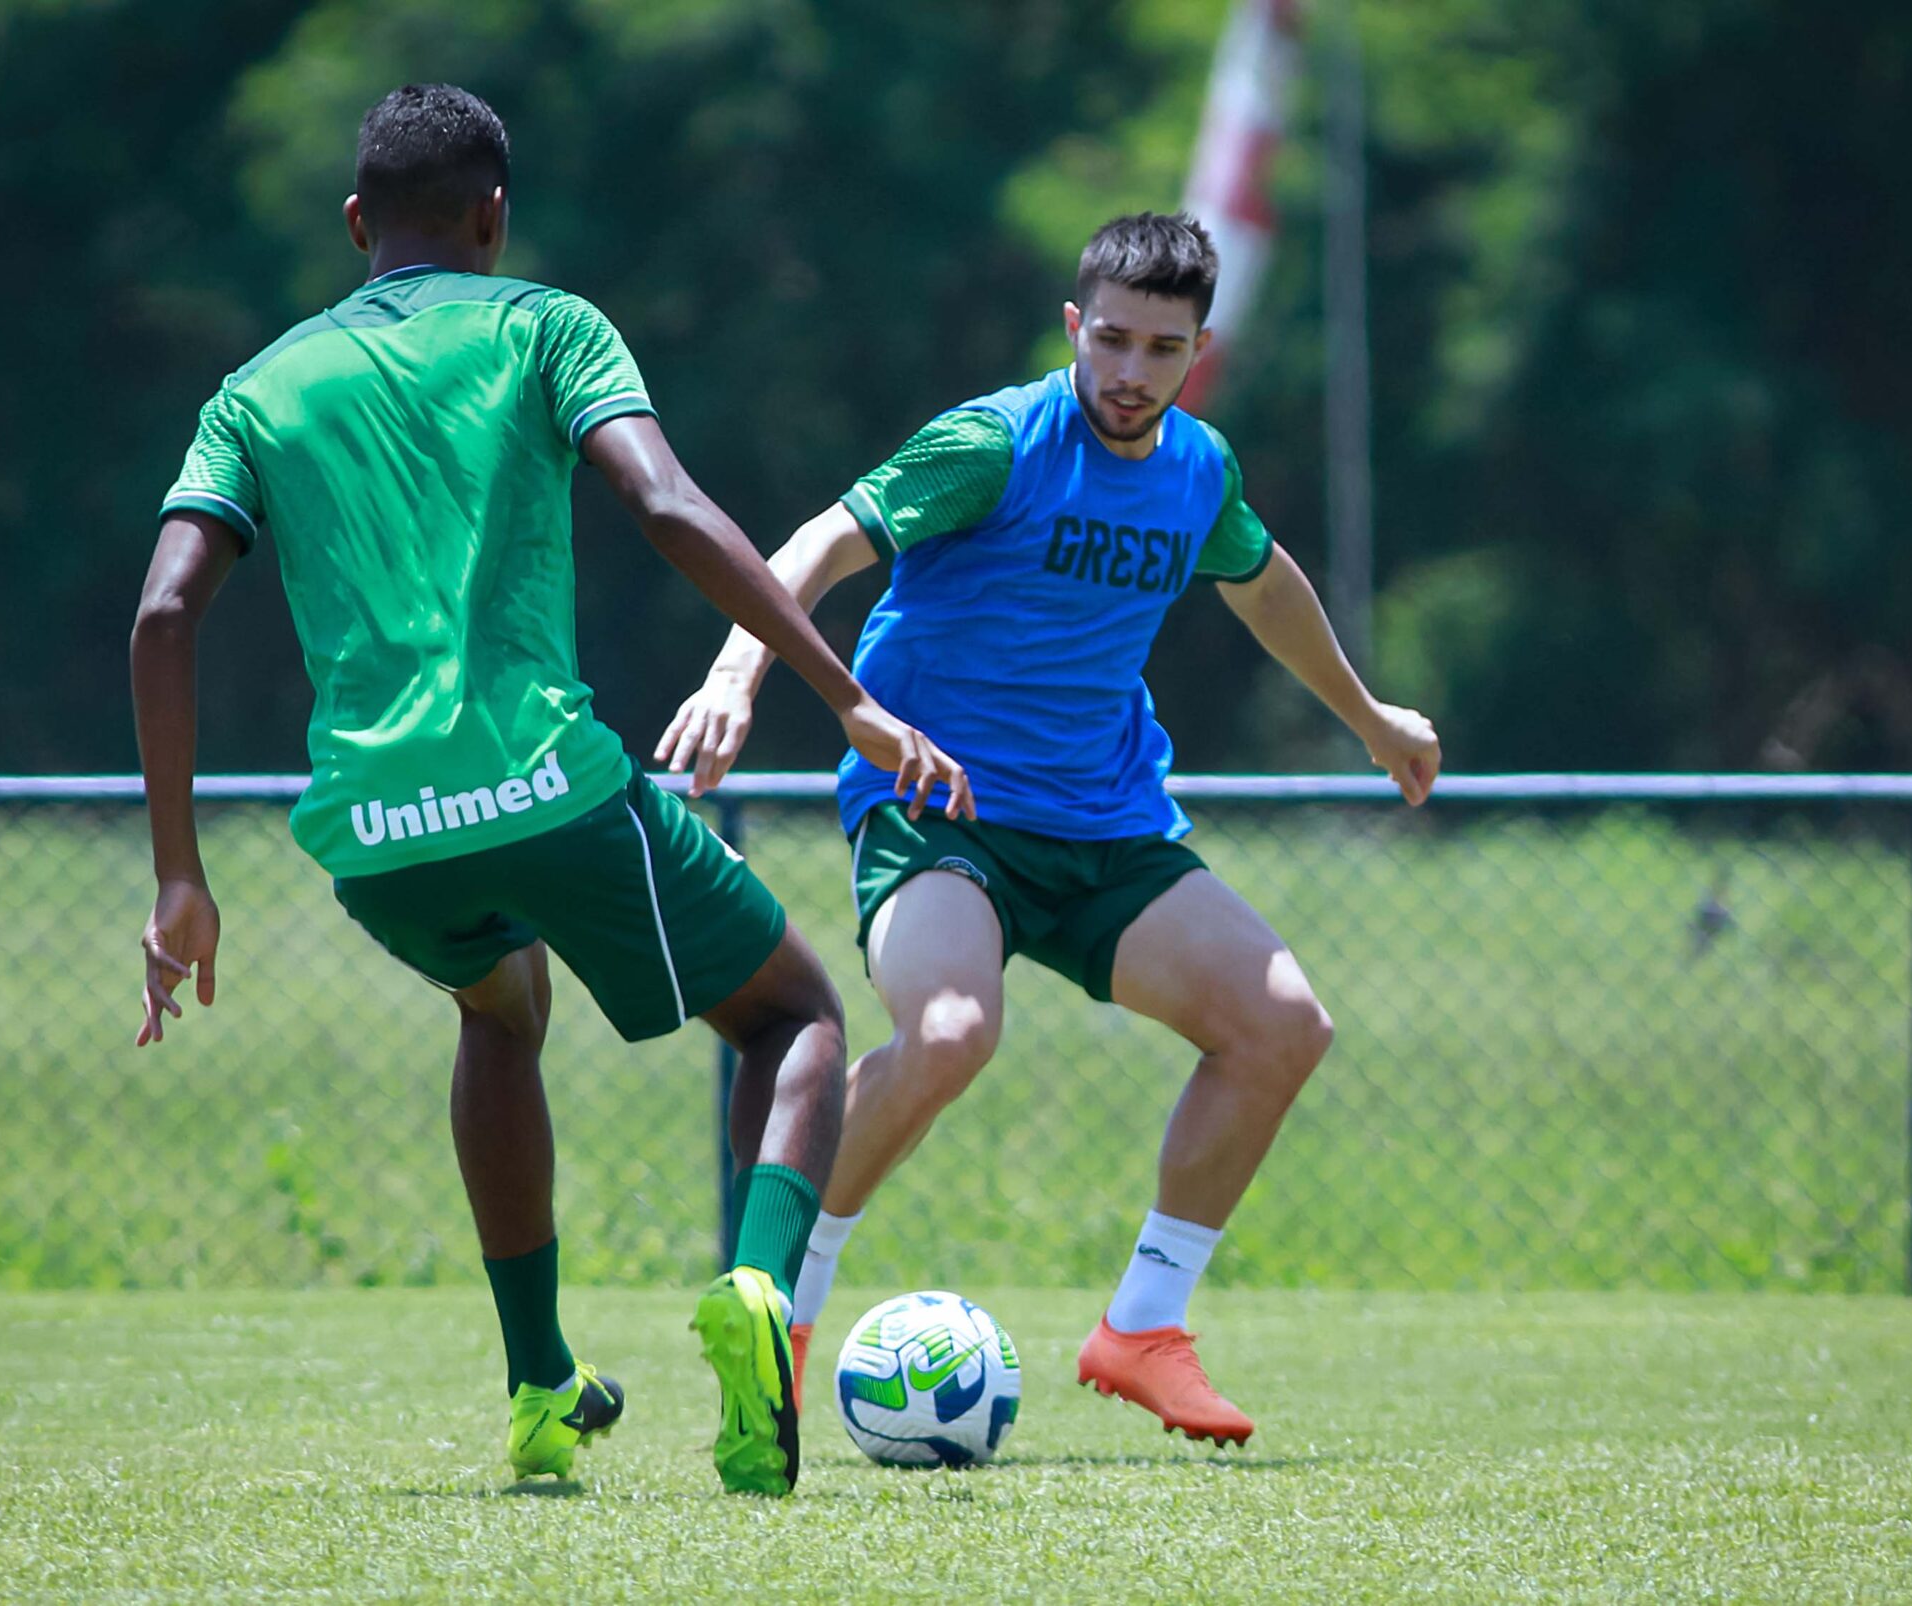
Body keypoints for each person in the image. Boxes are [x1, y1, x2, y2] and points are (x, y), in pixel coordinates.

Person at [127, 83, 970, 1495]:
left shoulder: (255, 391)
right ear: (493, 217)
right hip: (551, 791)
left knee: (499, 1006)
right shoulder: (546, 325)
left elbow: (163, 612)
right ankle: (760, 1290)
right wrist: (846, 695)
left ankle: (538, 1388)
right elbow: (668, 506)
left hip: (378, 837)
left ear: (353, 225)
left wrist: (179, 874)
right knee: (795, 1015)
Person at [658, 211, 1439, 1447]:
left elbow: (1263, 579)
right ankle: (787, 1320)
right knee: (953, 1031)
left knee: (1283, 1025)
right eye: (1112, 340)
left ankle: (1141, 1328)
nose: (1131, 373)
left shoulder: (1197, 470)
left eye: (1162, 350)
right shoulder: (992, 444)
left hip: (1105, 824)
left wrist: (1369, 714)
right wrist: (734, 676)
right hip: (940, 812)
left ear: (1199, 353)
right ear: (1075, 328)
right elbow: (815, 545)